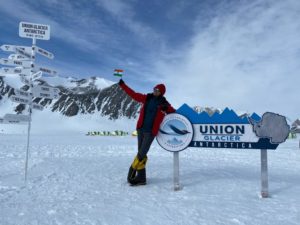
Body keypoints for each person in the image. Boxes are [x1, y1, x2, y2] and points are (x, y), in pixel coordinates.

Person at [118, 79, 176, 186]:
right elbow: (133, 94)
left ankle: (132, 169)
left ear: (161, 92)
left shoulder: (164, 104)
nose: (155, 91)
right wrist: (123, 85)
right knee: (142, 153)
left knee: (141, 153)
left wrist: (167, 109)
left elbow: (174, 113)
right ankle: (141, 178)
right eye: (154, 89)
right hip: (140, 129)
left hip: (150, 132)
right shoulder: (147, 98)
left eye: (157, 90)